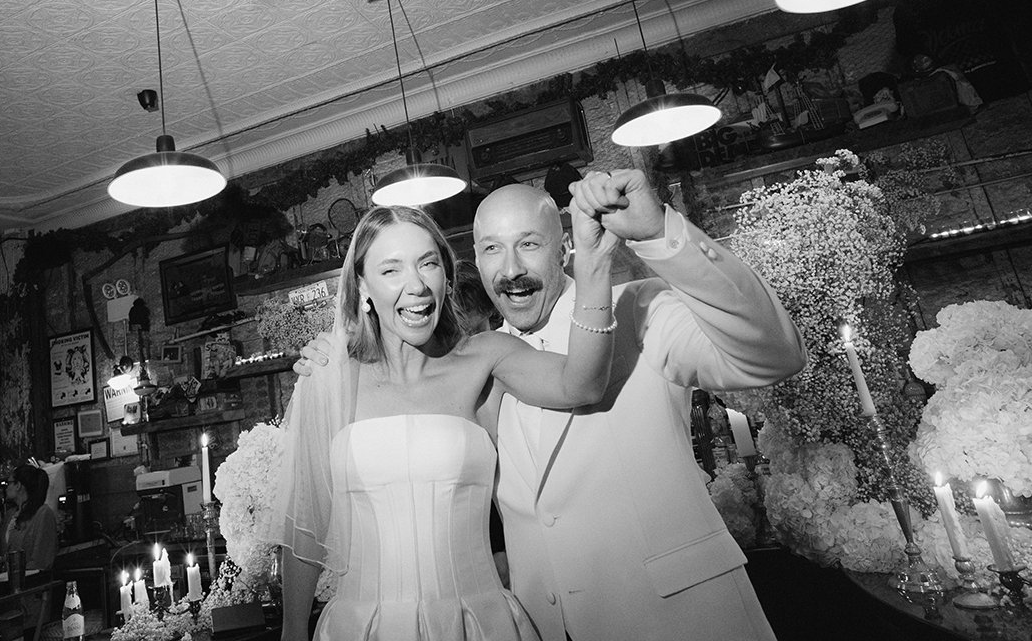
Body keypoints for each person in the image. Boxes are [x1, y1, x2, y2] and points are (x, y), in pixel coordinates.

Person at [301, 170, 806, 641]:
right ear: (475, 263)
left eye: (529, 243)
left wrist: (659, 232)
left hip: (683, 621)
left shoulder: (639, 309)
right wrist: (333, 359)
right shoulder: (478, 366)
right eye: (493, 249)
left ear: (564, 246)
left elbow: (774, 355)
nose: (512, 268)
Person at [272, 171, 620, 641]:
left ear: (447, 274)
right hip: (362, 627)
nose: (414, 285)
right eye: (390, 269)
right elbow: (305, 536)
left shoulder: (488, 356)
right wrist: (292, 634)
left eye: (427, 264)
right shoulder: (328, 374)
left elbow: (582, 385)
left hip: (480, 622)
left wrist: (595, 265)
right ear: (363, 287)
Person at [1, 465, 57, 572]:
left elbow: (41, 560)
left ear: (18, 485)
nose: (7, 487)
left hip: (32, 582)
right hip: (11, 580)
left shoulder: (43, 513)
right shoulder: (10, 515)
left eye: (9, 483)